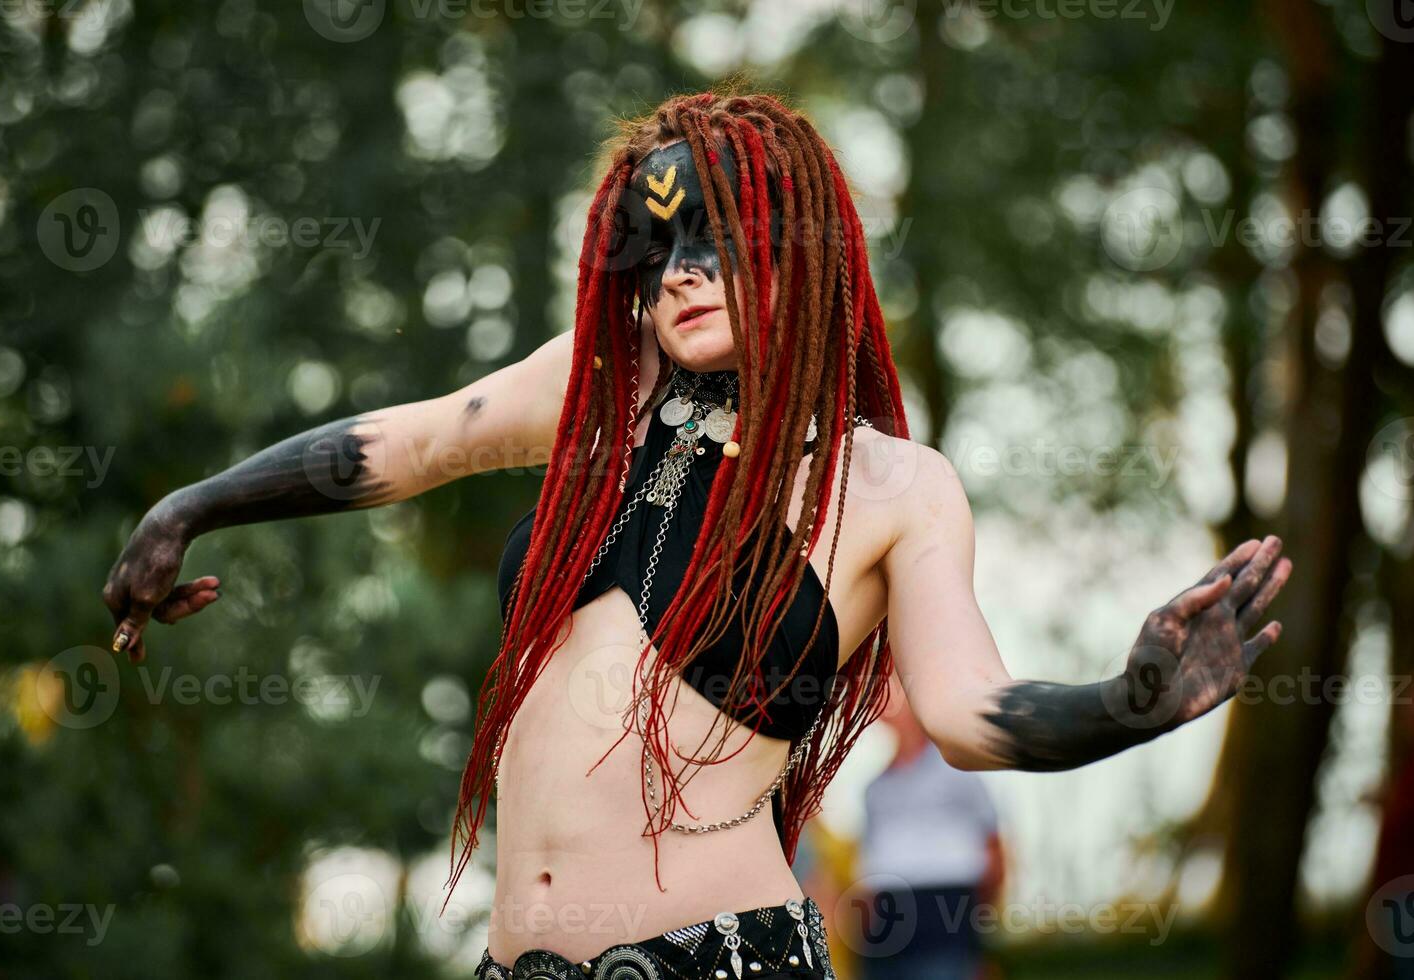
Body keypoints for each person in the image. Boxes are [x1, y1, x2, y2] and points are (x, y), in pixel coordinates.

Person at [99, 91, 1294, 980]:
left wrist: (1120, 703)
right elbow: (401, 446)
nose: (682, 273)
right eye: (659, 246)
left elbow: (970, 715)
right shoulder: (591, 388)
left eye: (717, 237)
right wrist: (190, 506)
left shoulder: (891, 486)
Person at [854, 674, 1003, 980]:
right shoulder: (875, 789)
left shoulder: (961, 774)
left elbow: (994, 852)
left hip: (945, 912)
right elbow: (870, 866)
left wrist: (975, 925)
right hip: (888, 920)